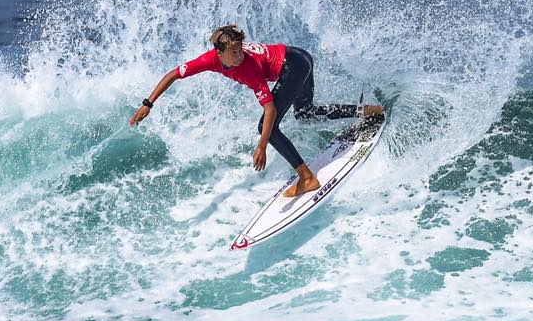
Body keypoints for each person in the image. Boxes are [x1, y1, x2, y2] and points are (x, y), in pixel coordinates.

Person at [129, 25, 382, 197]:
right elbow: (174, 74)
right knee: (305, 113)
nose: (240, 55)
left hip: (294, 64)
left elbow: (270, 107)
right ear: (220, 53)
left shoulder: (247, 67)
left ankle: (307, 178)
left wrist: (261, 145)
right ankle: (368, 111)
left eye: (241, 49)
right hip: (300, 58)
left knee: (266, 129)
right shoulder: (207, 60)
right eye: (234, 52)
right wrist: (147, 104)